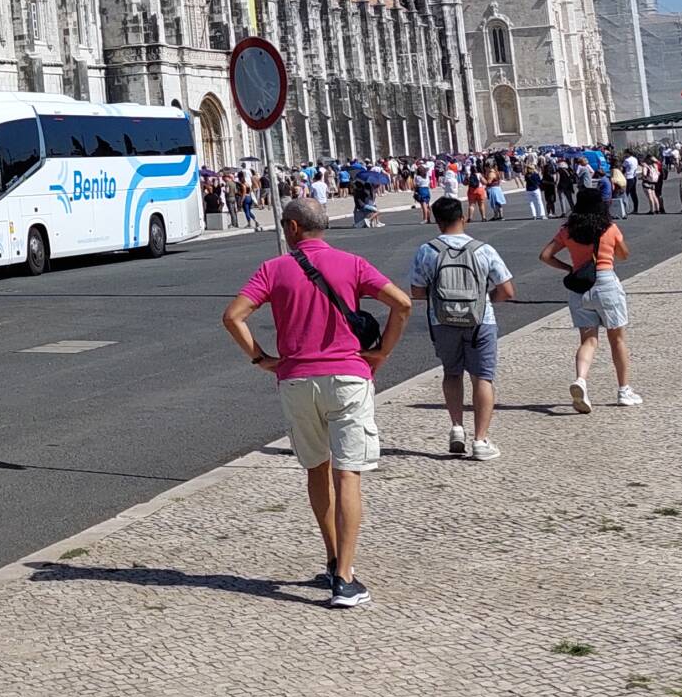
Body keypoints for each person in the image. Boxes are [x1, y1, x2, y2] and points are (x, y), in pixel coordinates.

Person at [219, 197, 412, 610]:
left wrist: (261, 359)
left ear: (291, 227)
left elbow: (233, 316)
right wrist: (382, 352)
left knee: (316, 469)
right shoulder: (352, 263)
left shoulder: (274, 268)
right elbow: (403, 303)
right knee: (349, 475)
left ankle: (331, 557)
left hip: (296, 379)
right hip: (347, 377)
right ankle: (344, 576)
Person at [409, 195, 516, 461]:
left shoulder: (427, 251)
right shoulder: (483, 250)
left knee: (452, 373)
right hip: (481, 321)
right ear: (463, 218)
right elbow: (507, 290)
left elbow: (417, 291)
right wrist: (482, 300)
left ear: (437, 221)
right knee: (482, 377)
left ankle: (457, 426)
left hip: (442, 320)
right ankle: (480, 440)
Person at [541, 209, 639, 411]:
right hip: (605, 283)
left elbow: (545, 255)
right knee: (617, 339)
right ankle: (623, 391)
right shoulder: (609, 228)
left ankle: (581, 380)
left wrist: (569, 268)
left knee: (588, 340)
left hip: (580, 288)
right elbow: (624, 254)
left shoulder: (568, 230)